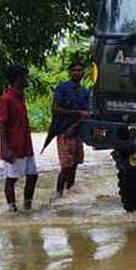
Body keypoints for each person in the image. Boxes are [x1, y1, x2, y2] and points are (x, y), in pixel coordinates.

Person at [0, 65, 37, 211]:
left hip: (26, 146)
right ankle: (12, 209)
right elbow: (2, 125)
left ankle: (27, 207)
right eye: (25, 76)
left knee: (33, 176)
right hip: (14, 146)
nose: (27, 79)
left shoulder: (20, 97)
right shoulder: (6, 99)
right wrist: (6, 149)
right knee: (11, 179)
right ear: (17, 79)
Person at [52, 62, 91, 197]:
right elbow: (55, 109)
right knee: (66, 166)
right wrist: (77, 113)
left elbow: (88, 112)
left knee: (74, 165)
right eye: (74, 70)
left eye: (80, 70)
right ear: (70, 72)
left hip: (77, 133)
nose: (77, 72)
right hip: (64, 132)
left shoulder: (85, 92)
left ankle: (69, 194)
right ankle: (58, 194)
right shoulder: (62, 88)